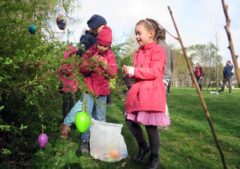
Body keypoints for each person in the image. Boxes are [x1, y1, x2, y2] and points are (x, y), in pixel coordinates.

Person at [122, 18, 170, 169]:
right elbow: (140, 72)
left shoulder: (158, 51)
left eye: (139, 33)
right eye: (135, 33)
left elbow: (155, 72)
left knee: (150, 126)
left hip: (151, 94)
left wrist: (134, 71)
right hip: (138, 93)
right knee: (130, 121)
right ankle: (143, 146)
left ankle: (154, 157)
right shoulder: (138, 52)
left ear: (150, 34)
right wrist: (130, 73)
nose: (136, 37)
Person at [60, 14, 107, 139]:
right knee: (83, 105)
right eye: (103, 26)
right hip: (90, 80)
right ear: (96, 27)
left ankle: (95, 138)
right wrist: (87, 59)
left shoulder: (102, 39)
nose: (105, 28)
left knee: (95, 110)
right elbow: (81, 51)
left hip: (100, 82)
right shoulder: (87, 38)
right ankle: (68, 125)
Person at [78, 25, 118, 153]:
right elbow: (81, 68)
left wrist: (106, 66)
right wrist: (91, 63)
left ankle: (99, 142)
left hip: (102, 92)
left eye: (105, 46)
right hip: (88, 90)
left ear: (109, 46)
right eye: (100, 45)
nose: (102, 48)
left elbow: (113, 73)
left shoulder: (110, 56)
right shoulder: (90, 52)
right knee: (85, 116)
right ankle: (84, 141)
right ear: (97, 42)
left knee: (100, 117)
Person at [58, 45, 79, 119]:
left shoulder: (73, 62)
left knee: (72, 104)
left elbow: (75, 75)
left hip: (71, 87)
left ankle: (70, 120)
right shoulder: (65, 62)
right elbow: (63, 71)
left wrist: (76, 84)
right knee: (67, 103)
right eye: (74, 53)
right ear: (70, 54)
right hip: (66, 87)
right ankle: (66, 120)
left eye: (75, 53)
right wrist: (70, 70)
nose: (75, 55)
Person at [159, 29, 174, 96]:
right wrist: (171, 72)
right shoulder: (169, 47)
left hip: (160, 75)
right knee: (161, 98)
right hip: (167, 74)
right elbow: (172, 62)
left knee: (159, 98)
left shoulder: (156, 46)